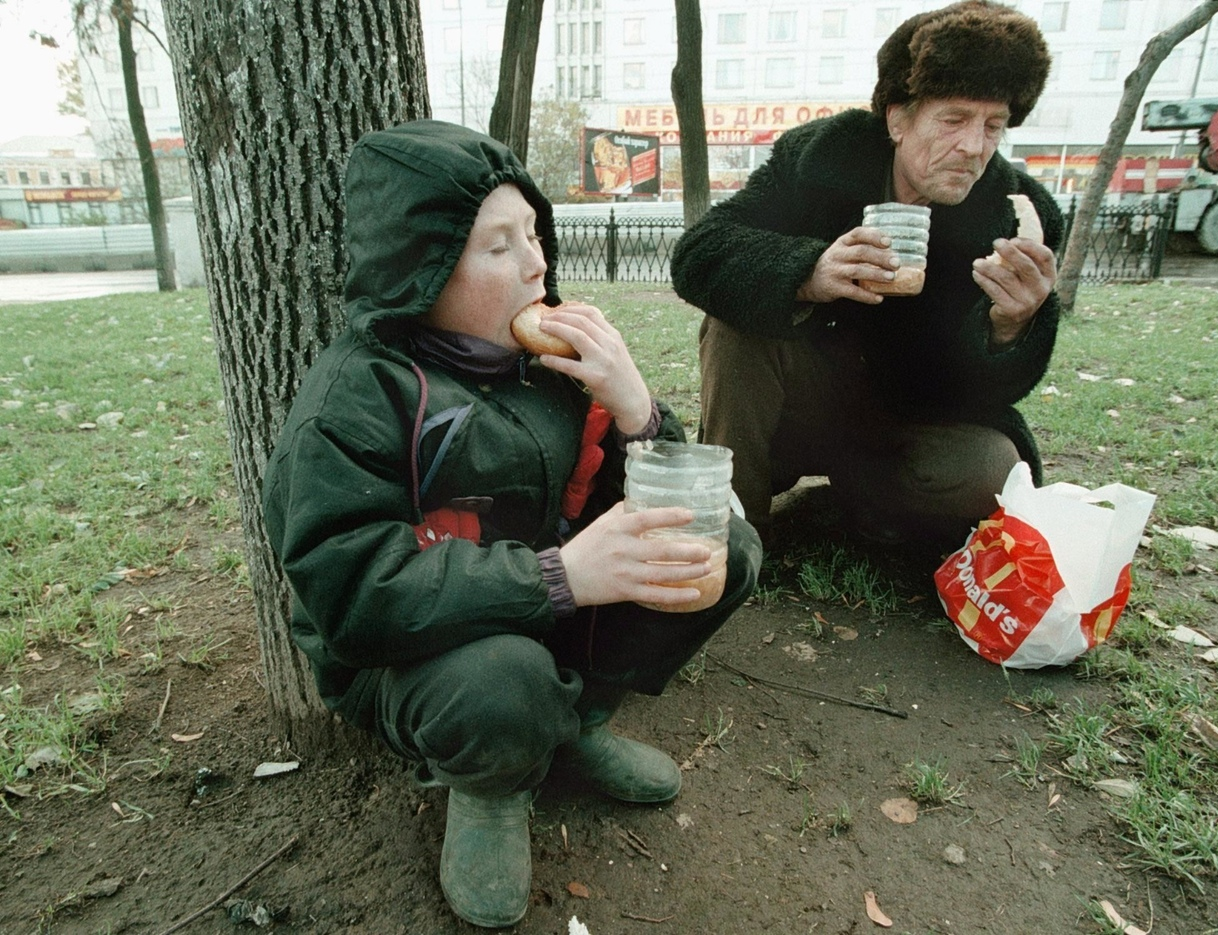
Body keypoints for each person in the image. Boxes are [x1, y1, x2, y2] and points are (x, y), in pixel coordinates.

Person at [262, 120, 761, 929]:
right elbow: (352, 592)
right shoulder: (356, 397)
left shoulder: (551, 361)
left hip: (544, 609)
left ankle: (576, 722)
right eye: (498, 246)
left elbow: (642, 493)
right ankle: (491, 787)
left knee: (716, 547)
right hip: (417, 658)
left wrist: (636, 408)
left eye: (534, 231)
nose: (537, 262)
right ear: (419, 268)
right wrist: (560, 575)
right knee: (503, 680)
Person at [671, 0, 1062, 548]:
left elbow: (988, 394)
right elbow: (700, 254)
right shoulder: (819, 158)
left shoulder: (1015, 212)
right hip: (803, 403)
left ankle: (843, 506)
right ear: (898, 119)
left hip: (912, 419)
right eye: (953, 120)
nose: (973, 148)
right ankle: (736, 530)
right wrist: (809, 270)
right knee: (735, 323)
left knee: (993, 471)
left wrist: (1011, 327)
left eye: (993, 126)